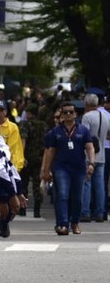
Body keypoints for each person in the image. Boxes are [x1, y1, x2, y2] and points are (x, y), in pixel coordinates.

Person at [41, 99, 95, 235]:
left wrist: (92, 163)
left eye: (71, 112)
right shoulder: (55, 132)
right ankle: (63, 224)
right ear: (62, 115)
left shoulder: (83, 130)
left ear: (76, 114)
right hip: (61, 167)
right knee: (63, 194)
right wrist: (46, 170)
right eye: (65, 112)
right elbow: (50, 151)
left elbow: (90, 147)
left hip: (78, 168)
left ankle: (75, 223)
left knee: (77, 197)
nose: (68, 114)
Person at [80, 94, 108, 223]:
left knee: (86, 183)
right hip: (101, 154)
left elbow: (84, 136)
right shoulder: (106, 116)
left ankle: (85, 211)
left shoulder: (87, 117)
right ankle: (100, 212)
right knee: (100, 184)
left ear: (86, 103)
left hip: (89, 156)